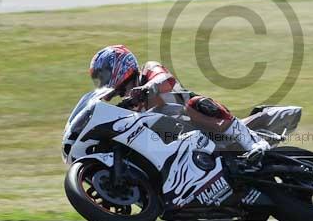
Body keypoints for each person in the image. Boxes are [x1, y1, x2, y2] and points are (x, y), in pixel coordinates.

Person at [89, 44, 271, 162]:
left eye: (103, 75)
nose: (102, 81)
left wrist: (147, 88)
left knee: (195, 103)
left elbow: (164, 79)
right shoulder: (128, 106)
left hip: (203, 122)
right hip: (182, 144)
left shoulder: (148, 71)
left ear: (119, 66)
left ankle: (254, 143)